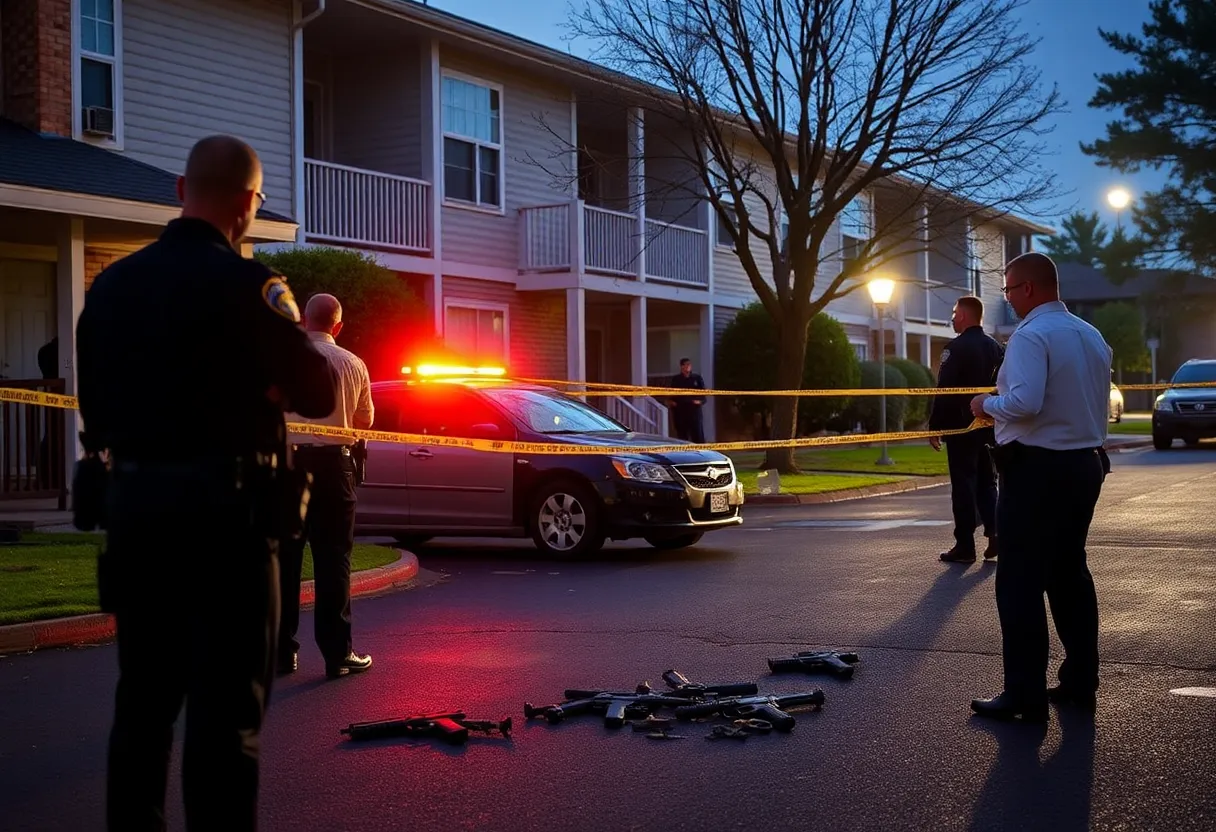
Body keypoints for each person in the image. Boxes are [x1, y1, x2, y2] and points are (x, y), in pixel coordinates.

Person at [75, 134, 337, 830]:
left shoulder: (111, 287)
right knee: (226, 723)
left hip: (137, 518)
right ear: (250, 203)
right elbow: (316, 391)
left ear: (180, 190)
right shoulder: (252, 287)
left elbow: (94, 406)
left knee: (142, 712)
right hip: (229, 526)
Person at [967, 251, 1112, 723]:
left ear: (1027, 288)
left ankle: (1024, 697)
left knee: (1020, 582)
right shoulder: (1091, 335)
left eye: (1009, 290)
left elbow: (1025, 403)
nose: (1007, 299)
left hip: (1037, 470)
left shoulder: (1031, 335)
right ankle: (1079, 680)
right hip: (1085, 464)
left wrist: (984, 403)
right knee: (1070, 573)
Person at [277, 293, 375, 680]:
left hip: (284, 468)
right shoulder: (353, 363)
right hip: (335, 468)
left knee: (284, 559)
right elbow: (365, 420)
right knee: (334, 559)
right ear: (337, 326)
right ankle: (338, 653)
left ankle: (282, 653)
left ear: (303, 320)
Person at [927, 295, 1004, 563]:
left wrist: (934, 426)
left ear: (963, 315)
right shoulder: (997, 348)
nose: (952, 317)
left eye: (954, 312)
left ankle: (965, 546)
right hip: (989, 427)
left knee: (963, 485)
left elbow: (945, 390)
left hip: (960, 429)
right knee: (987, 482)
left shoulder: (955, 349)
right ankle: (995, 536)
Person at [668, 358, 707, 443]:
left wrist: (699, 401)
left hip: (694, 410)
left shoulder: (697, 378)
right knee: (682, 435)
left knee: (697, 434)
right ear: (682, 366)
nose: (688, 366)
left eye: (689, 364)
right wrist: (672, 402)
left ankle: (701, 452)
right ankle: (685, 454)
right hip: (680, 411)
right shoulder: (676, 379)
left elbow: (703, 394)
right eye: (686, 364)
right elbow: (672, 394)